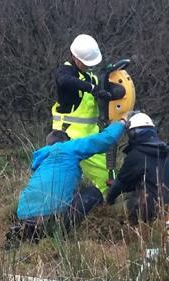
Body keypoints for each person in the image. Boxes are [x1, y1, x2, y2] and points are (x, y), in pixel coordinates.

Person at [6, 120, 127, 247]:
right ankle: (96, 224)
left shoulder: (41, 159)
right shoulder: (68, 148)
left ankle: (28, 232)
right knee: (93, 192)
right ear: (67, 141)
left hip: (24, 217)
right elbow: (105, 140)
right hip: (54, 220)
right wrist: (121, 123)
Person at [51, 34, 115, 194]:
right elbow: (65, 81)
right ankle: (57, 212)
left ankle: (108, 207)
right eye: (85, 62)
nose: (88, 66)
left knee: (106, 174)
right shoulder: (65, 72)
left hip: (90, 138)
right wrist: (93, 89)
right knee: (61, 181)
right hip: (68, 138)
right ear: (75, 57)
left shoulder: (90, 76)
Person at [106, 112, 169, 224]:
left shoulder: (136, 155)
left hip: (150, 208)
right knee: (129, 196)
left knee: (111, 211)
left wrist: (108, 201)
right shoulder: (163, 151)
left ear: (132, 133)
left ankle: (127, 230)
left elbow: (121, 183)